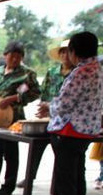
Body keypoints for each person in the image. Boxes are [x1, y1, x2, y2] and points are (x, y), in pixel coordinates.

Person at [41, 31, 103, 195]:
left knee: (67, 179)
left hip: (70, 131)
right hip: (86, 131)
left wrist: (48, 107)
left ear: (74, 51)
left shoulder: (81, 72)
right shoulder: (98, 70)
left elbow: (64, 104)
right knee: (78, 176)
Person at [0, 41, 40, 195]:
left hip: (13, 118)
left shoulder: (27, 74)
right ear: (5, 56)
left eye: (18, 57)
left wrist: (14, 98)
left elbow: (35, 92)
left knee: (11, 153)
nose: (14, 59)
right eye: (11, 56)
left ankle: (8, 185)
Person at [21, 39, 75, 187]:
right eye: (62, 52)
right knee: (36, 148)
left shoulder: (76, 74)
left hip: (65, 119)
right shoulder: (52, 72)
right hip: (48, 115)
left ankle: (58, 183)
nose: (65, 55)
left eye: (68, 52)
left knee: (61, 153)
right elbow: (44, 92)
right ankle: (29, 177)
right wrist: (43, 109)